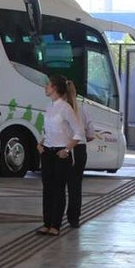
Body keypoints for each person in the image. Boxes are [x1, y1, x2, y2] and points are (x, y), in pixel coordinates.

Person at [36, 74, 84, 236]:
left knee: (58, 189)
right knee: (47, 188)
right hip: (47, 151)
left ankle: (56, 224)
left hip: (60, 153)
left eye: (48, 85)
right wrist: (40, 144)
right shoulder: (49, 107)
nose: (45, 87)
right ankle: (46, 222)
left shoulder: (66, 108)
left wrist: (67, 150)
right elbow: (49, 130)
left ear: (55, 88)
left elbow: (79, 132)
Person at [66, 81, 95, 229]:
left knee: (59, 185)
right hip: (80, 149)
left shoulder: (61, 109)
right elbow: (91, 132)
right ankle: (74, 218)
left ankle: (56, 218)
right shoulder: (82, 108)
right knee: (76, 186)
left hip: (64, 149)